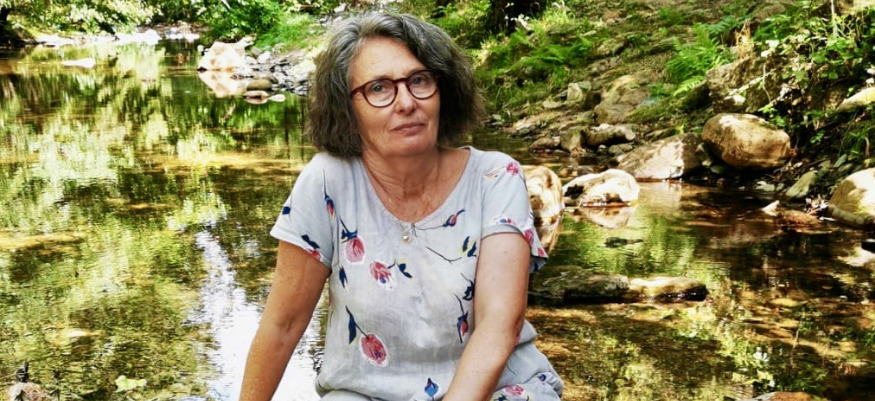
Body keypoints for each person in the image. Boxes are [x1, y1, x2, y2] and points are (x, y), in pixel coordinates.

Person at [240, 11, 564, 401]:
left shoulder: (495, 177)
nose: (406, 102)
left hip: (498, 388)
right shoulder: (328, 182)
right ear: (347, 108)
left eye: (419, 80)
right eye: (379, 88)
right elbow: (283, 325)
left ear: (444, 89)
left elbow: (498, 326)